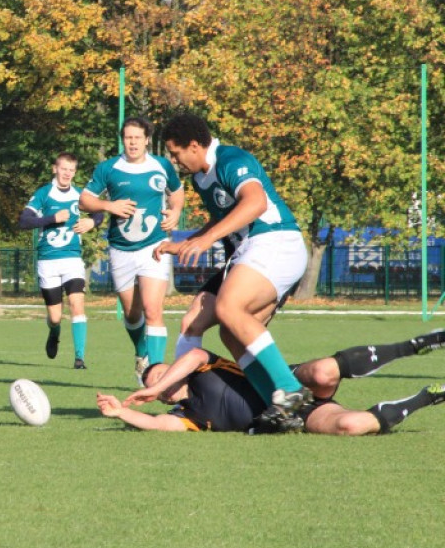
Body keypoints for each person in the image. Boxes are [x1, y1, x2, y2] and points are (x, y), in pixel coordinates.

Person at [155, 113, 309, 430]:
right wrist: (188, 242)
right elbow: (225, 216)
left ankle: (291, 388)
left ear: (194, 145)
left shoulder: (232, 160)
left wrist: (206, 239)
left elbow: (255, 203)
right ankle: (278, 407)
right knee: (204, 325)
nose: (174, 160)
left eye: (175, 152)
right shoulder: (200, 178)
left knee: (229, 308)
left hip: (276, 241)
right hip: (246, 253)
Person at [96, 329, 445, 434]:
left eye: (161, 373)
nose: (160, 383)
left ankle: (413, 345)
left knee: (323, 372)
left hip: (287, 385)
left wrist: (155, 385)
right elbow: (156, 424)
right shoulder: (188, 415)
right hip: (296, 416)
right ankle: (428, 396)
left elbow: (195, 354)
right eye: (155, 383)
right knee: (351, 426)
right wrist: (120, 412)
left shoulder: (202, 367)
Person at [79, 117, 184, 382]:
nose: (133, 143)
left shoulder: (161, 165)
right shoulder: (109, 168)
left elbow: (177, 192)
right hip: (121, 249)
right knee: (132, 313)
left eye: (137, 137)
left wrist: (176, 211)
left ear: (147, 139)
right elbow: (84, 200)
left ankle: (156, 375)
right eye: (128, 138)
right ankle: (140, 353)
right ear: (122, 140)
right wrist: (108, 206)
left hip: (154, 246)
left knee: (153, 310)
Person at [18, 152, 101, 369]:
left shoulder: (79, 195)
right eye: (64, 169)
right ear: (55, 169)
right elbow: (24, 221)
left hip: (72, 259)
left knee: (77, 304)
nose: (67, 173)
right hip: (48, 261)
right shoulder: (44, 193)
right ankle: (54, 332)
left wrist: (91, 222)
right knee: (55, 317)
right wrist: (52, 219)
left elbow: (99, 212)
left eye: (71, 170)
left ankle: (79, 358)